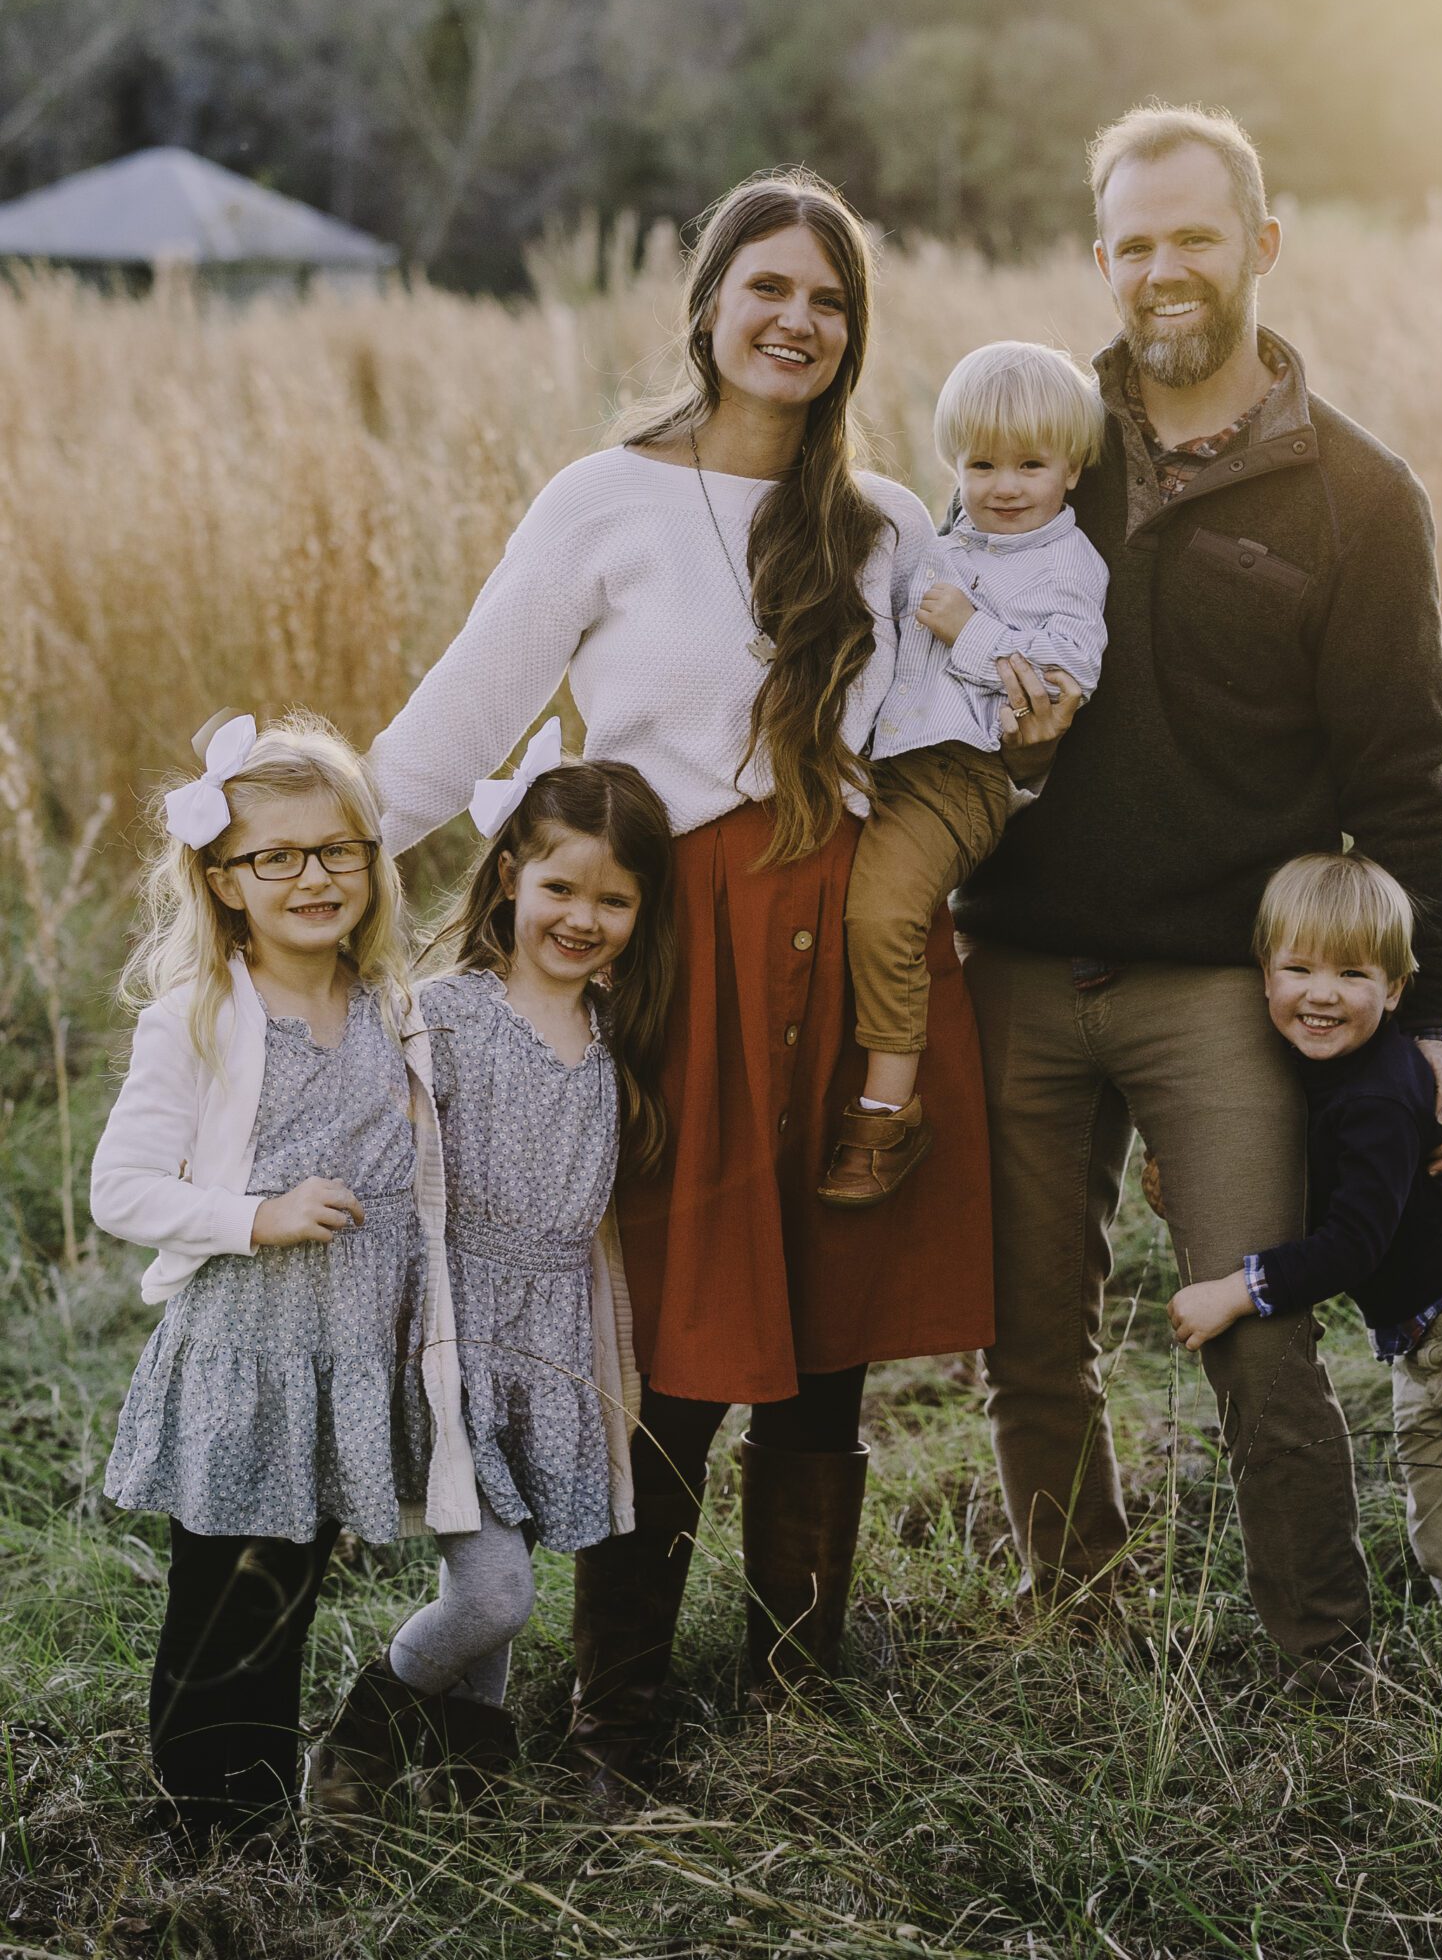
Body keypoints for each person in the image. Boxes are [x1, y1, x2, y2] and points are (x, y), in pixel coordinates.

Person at [368, 167, 1015, 1789]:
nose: (796, 319)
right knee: (662, 1345)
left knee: (828, 1335)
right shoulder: (604, 498)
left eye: (829, 299)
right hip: (675, 958)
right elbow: (462, 718)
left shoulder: (885, 526)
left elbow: (956, 733)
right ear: (709, 303)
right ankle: (620, 1725)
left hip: (846, 954)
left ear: (854, 332)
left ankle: (796, 1699)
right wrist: (304, 857)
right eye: (768, 287)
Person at [955, 102, 1442, 1693]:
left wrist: (1437, 1020)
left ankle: (1320, 1663)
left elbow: (1402, 780)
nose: (1161, 269)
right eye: (1132, 244)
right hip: (1017, 964)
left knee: (1256, 1326)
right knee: (1026, 1339)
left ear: (1259, 243)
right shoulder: (1040, 450)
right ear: (1098, 261)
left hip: (1215, 984)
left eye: (1192, 235)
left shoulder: (1356, 496)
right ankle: (1081, 1622)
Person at [90, 713, 479, 1855]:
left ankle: (260, 1815)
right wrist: (254, 1217)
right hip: (244, 1358)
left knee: (288, 1593)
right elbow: (120, 1189)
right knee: (222, 1604)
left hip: (340, 1360)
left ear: (373, 859)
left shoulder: (391, 1007)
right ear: (223, 881)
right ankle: (206, 1830)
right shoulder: (201, 1018)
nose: (314, 876)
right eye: (277, 856)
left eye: (338, 849)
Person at [1169, 852, 1442, 1728]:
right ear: (1263, 973)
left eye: (1351, 974)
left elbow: (1353, 1245)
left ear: (1396, 988)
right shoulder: (1312, 1073)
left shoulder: (1378, 1090)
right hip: (1425, 1347)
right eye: (1298, 968)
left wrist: (1238, 1290)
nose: (1320, 994)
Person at [311, 744, 672, 1809]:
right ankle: (358, 1740)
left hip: (549, 1340)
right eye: (561, 887)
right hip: (452, 1336)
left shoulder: (618, 1030)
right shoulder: (445, 1017)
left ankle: (467, 1776)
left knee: (491, 1564)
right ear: (510, 873)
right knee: (497, 1593)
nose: (583, 917)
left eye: (614, 900)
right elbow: (376, 1160)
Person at [821, 341, 1108, 1206]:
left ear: (1072, 468)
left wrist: (968, 629)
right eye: (981, 464)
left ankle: (888, 1112)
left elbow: (1064, 678)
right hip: (887, 763)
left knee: (882, 915)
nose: (1004, 486)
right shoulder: (943, 543)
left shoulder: (1069, 566)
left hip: (963, 776)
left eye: (1030, 465)